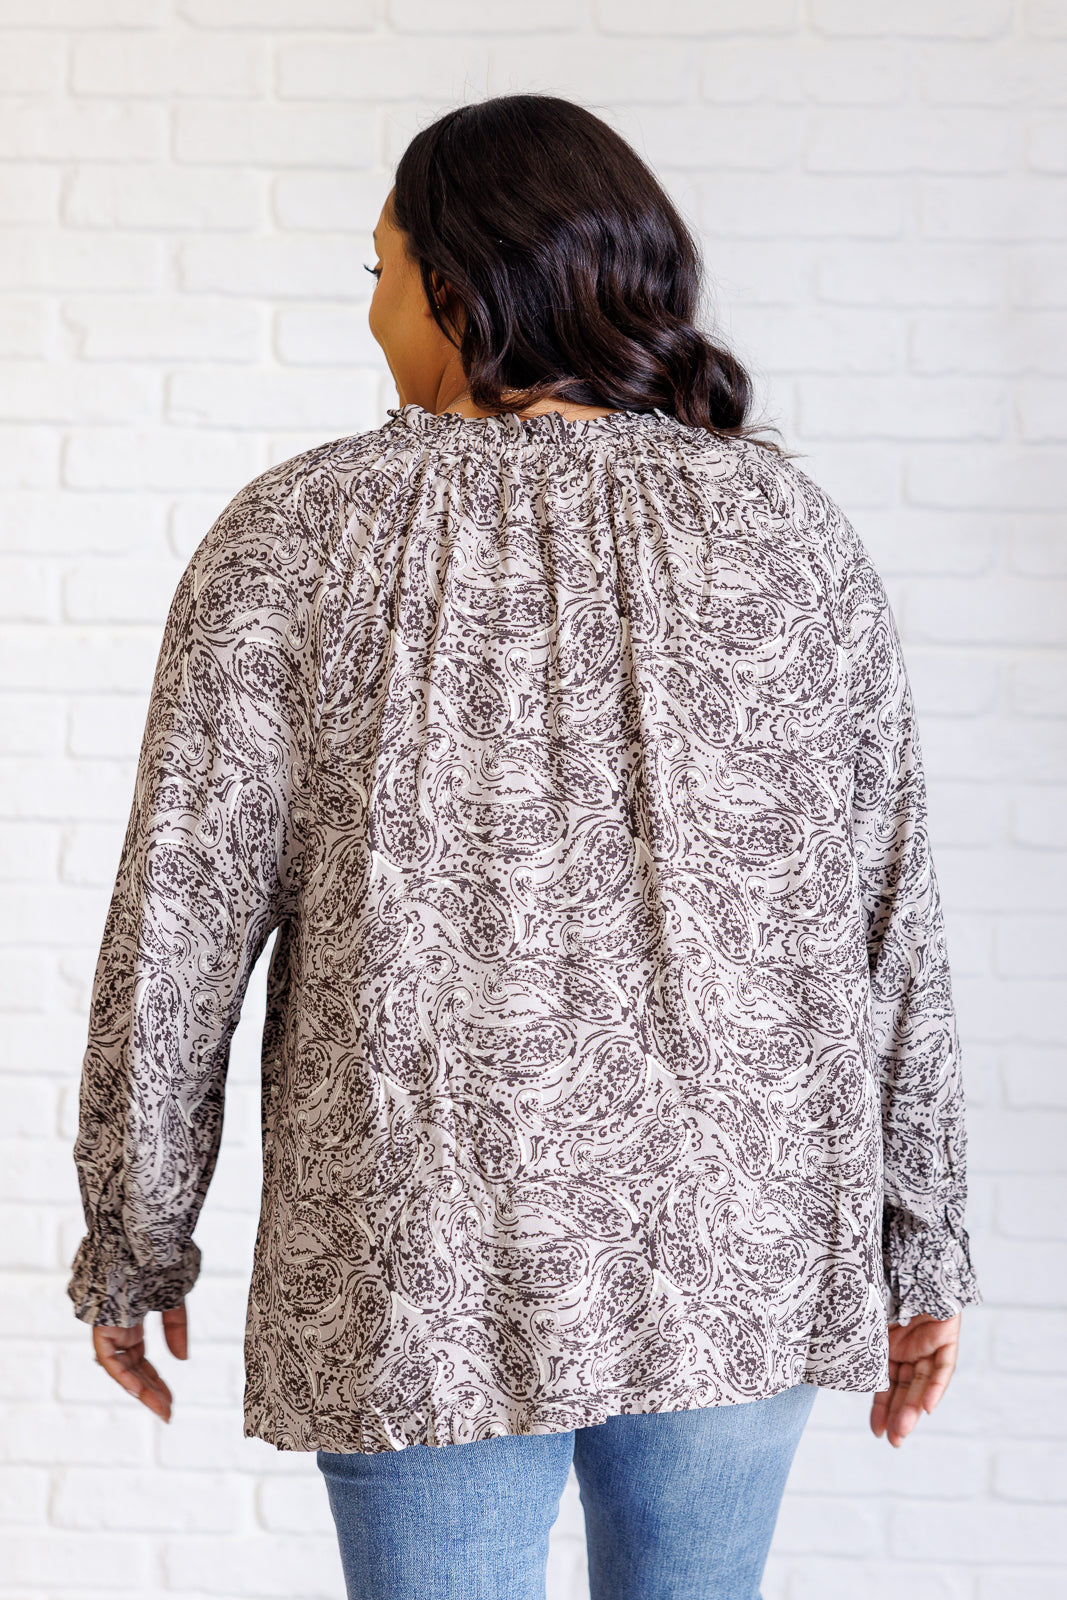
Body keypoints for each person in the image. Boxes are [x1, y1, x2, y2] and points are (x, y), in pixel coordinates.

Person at [68, 94, 982, 1600]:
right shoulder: (789, 532)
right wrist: (922, 1237)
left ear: (455, 287)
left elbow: (183, 918)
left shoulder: (298, 533)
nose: (371, 313)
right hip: (737, 1233)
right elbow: (886, 913)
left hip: (419, 1239)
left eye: (378, 271)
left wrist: (135, 1235)